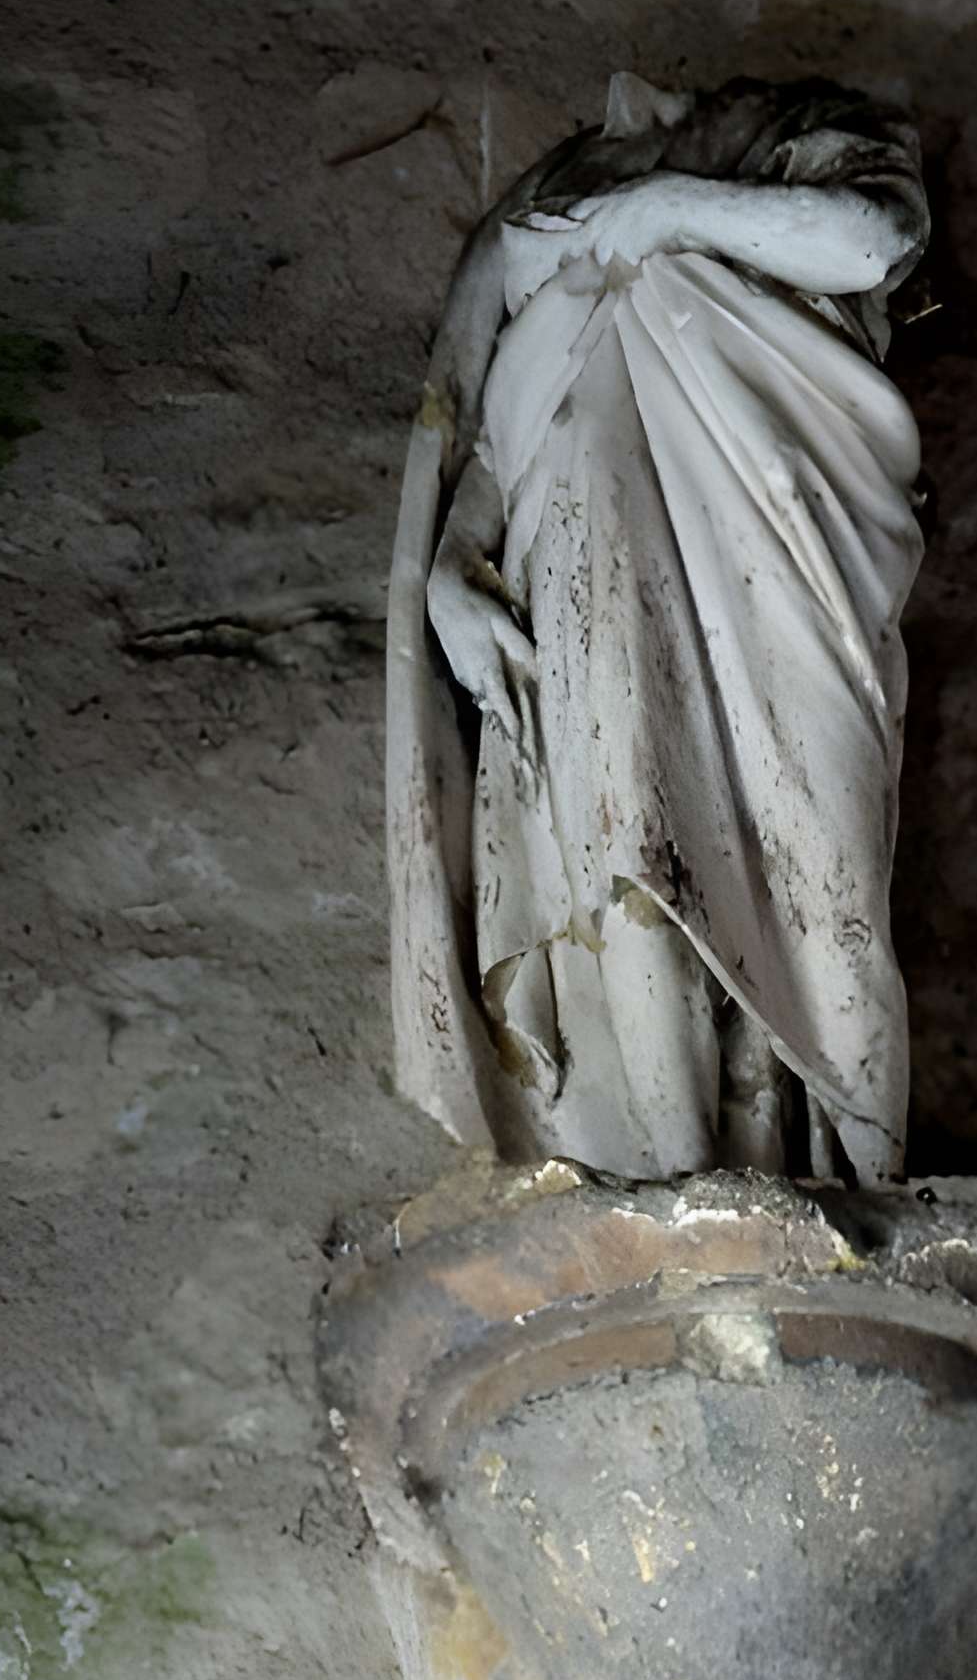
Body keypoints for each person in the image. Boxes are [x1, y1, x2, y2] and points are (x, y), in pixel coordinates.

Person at [386, 72, 929, 1183]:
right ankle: (656, 1184)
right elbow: (501, 416)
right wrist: (449, 563)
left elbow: (870, 243)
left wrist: (664, 213)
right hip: (581, 554)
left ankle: (816, 1175)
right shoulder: (544, 200)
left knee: (814, 878)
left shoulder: (808, 127)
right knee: (618, 832)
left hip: (780, 555)